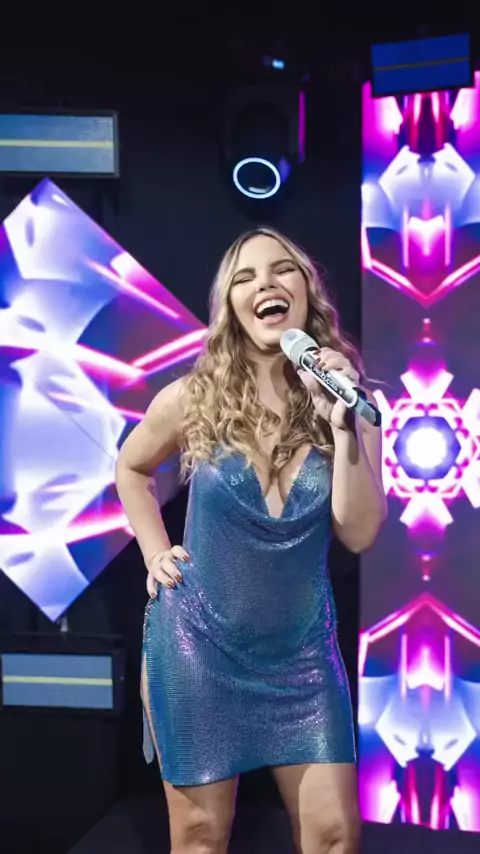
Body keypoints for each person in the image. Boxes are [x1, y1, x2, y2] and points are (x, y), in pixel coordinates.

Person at [115, 227, 386, 854]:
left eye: (281, 269)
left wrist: (342, 428)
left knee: (334, 835)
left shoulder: (352, 403)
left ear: (305, 291)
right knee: (201, 836)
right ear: (231, 307)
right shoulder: (194, 397)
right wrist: (155, 550)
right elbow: (131, 468)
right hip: (198, 644)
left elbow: (359, 532)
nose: (265, 283)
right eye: (245, 277)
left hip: (301, 655)